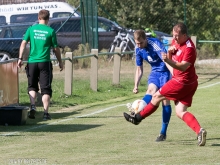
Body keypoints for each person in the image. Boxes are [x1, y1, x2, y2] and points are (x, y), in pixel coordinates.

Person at [124, 22, 207, 146]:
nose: (174, 38)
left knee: (157, 96)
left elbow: (183, 67)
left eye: (177, 36)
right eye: (173, 35)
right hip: (190, 82)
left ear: (185, 35)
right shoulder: (176, 41)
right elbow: (170, 55)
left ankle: (137, 119)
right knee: (180, 111)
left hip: (181, 81)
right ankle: (200, 131)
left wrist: (168, 60)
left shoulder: (189, 48)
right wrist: (169, 53)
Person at [17, 9, 63, 120]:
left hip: (32, 62)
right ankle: (46, 113)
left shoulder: (31, 29)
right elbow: (56, 49)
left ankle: (33, 106)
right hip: (44, 63)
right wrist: (60, 61)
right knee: (45, 88)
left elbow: (23, 43)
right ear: (48, 19)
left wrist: (20, 58)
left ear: (38, 18)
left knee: (32, 86)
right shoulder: (51, 31)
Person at [128, 29, 172, 142]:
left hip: (165, 72)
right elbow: (139, 69)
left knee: (165, 101)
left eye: (141, 42)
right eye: (137, 43)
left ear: (145, 39)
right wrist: (135, 85)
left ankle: (163, 132)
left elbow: (166, 59)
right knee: (150, 91)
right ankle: (136, 114)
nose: (139, 45)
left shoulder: (155, 44)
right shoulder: (138, 49)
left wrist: (174, 73)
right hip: (155, 73)